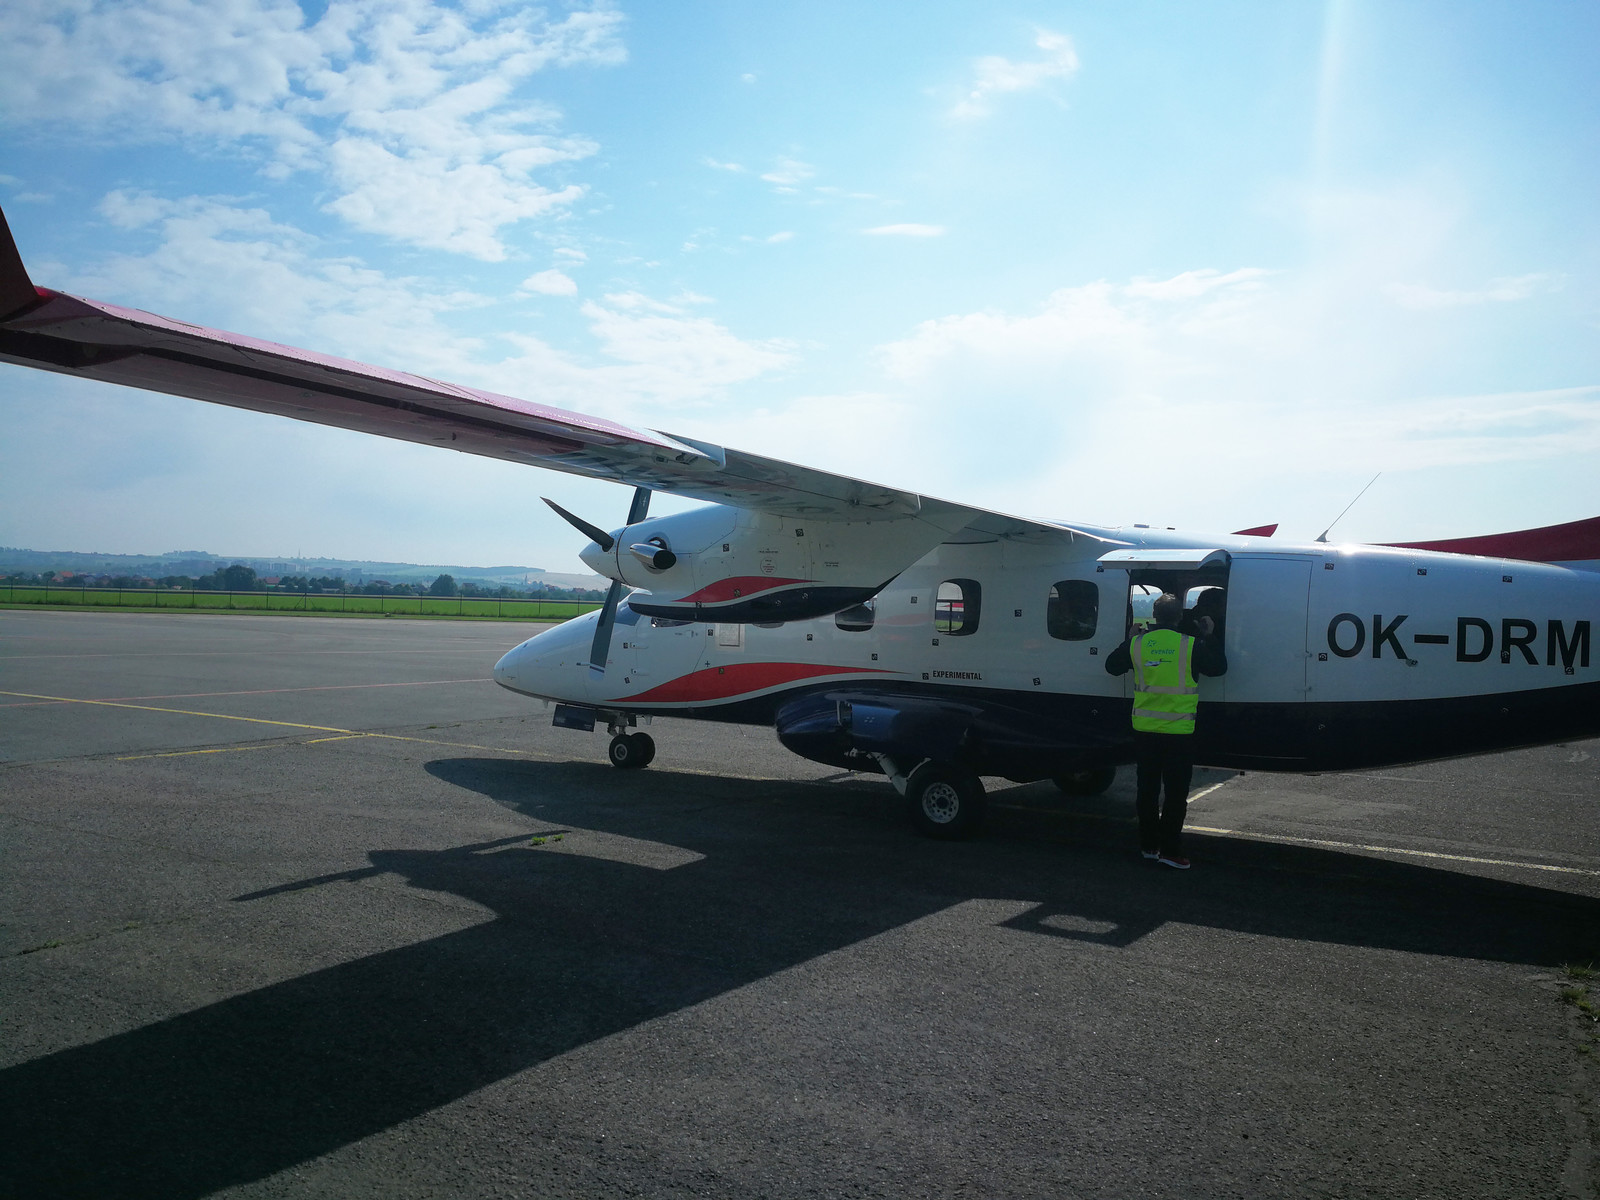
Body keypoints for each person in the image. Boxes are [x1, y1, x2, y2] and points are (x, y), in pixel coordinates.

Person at [1104, 590, 1227, 869]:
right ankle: (1171, 850)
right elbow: (1218, 668)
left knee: (1146, 790)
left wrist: (1129, 638)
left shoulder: (1137, 644)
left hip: (1145, 729)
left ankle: (1149, 846)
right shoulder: (1191, 645)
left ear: (1154, 616)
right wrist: (1209, 634)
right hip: (1179, 731)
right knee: (1175, 794)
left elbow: (1112, 667)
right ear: (1180, 617)